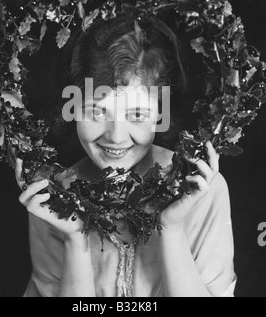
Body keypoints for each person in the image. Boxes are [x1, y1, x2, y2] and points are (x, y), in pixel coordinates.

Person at [15, 15, 236, 297]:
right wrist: (74, 241)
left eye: (137, 114)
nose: (116, 137)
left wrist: (171, 228)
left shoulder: (202, 188)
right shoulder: (51, 197)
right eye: (96, 112)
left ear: (160, 113)